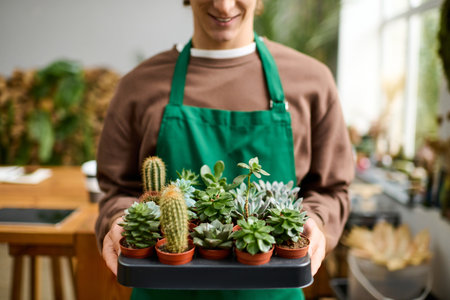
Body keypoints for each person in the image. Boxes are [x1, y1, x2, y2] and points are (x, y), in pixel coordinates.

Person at [95, 0, 354, 299]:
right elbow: (116, 190)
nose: (223, 4)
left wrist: (315, 220)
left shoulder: (312, 81)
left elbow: (332, 188)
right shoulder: (138, 86)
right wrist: (117, 221)